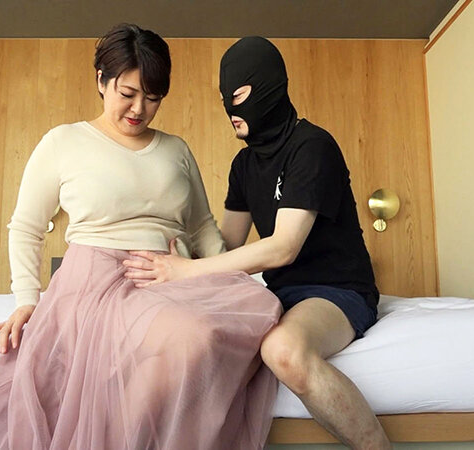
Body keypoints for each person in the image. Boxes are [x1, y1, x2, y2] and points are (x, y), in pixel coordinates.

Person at [0, 25, 281, 450]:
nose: (139, 109)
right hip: (97, 281)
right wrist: (26, 300)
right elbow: (26, 227)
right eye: (127, 93)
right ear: (101, 81)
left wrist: (224, 280)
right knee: (194, 335)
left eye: (152, 97)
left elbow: (202, 226)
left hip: (175, 276)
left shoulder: (176, 149)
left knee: (263, 306)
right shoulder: (64, 141)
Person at [123, 36, 392, 449]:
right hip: (278, 295)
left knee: (282, 350)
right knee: (197, 345)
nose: (231, 110)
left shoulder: (312, 147)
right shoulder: (244, 164)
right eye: (224, 100)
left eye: (239, 96)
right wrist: (173, 251)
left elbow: (284, 247)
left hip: (338, 290)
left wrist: (188, 270)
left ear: (269, 87)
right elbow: (227, 246)